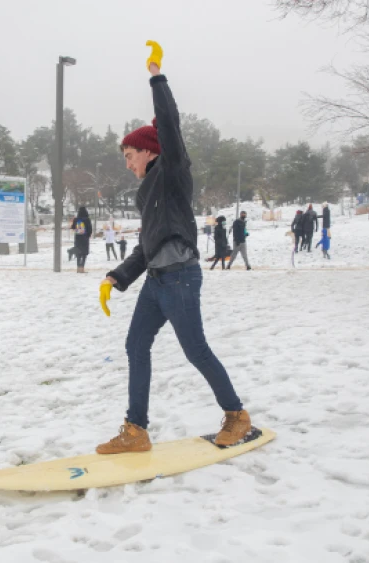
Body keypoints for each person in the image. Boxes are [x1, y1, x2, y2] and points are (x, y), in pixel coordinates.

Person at [96, 52, 252, 454]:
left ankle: (236, 416)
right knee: (135, 346)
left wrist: (156, 78)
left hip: (181, 275)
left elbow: (169, 125)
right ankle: (136, 431)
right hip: (156, 281)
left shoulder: (173, 171)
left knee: (195, 349)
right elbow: (146, 247)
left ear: (149, 151)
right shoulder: (146, 192)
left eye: (130, 156)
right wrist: (117, 276)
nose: (128, 165)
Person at [70, 207, 93, 273]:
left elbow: (73, 227)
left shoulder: (76, 219)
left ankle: (78, 269)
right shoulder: (87, 219)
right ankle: (82, 269)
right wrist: (88, 235)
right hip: (84, 238)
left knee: (78, 254)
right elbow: (90, 229)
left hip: (77, 238)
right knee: (84, 254)